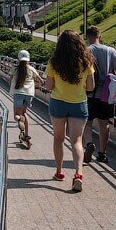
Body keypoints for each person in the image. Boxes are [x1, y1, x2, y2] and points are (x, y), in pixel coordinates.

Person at [42, 29, 95, 192]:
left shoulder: (54, 62)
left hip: (58, 103)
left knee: (58, 139)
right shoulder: (87, 61)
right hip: (79, 103)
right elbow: (91, 87)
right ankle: (78, 174)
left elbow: (48, 86)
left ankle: (59, 172)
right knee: (77, 141)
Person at [84, 26, 116, 165]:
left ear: (87, 37)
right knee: (104, 124)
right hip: (106, 95)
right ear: (99, 36)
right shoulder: (110, 51)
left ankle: (89, 143)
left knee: (87, 123)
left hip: (89, 94)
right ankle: (102, 154)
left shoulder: (85, 51)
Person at [9, 49, 44, 147]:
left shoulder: (14, 68)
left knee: (17, 115)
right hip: (29, 93)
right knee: (24, 113)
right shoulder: (32, 69)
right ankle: (27, 135)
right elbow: (40, 81)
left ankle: (20, 120)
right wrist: (36, 86)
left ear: (18, 58)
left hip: (18, 93)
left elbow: (10, 80)